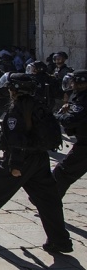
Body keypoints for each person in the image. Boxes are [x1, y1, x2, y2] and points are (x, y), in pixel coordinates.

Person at [0, 73, 73, 254]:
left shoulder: (17, 110)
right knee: (49, 201)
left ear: (15, 90)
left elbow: (16, 140)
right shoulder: (39, 105)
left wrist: (14, 166)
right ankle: (60, 240)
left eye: (10, 88)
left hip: (20, 159)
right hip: (40, 159)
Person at [53, 70, 87, 198]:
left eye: (73, 82)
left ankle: (49, 202)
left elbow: (71, 121)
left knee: (62, 172)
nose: (71, 85)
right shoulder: (80, 96)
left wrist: (58, 116)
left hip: (85, 145)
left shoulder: (84, 99)